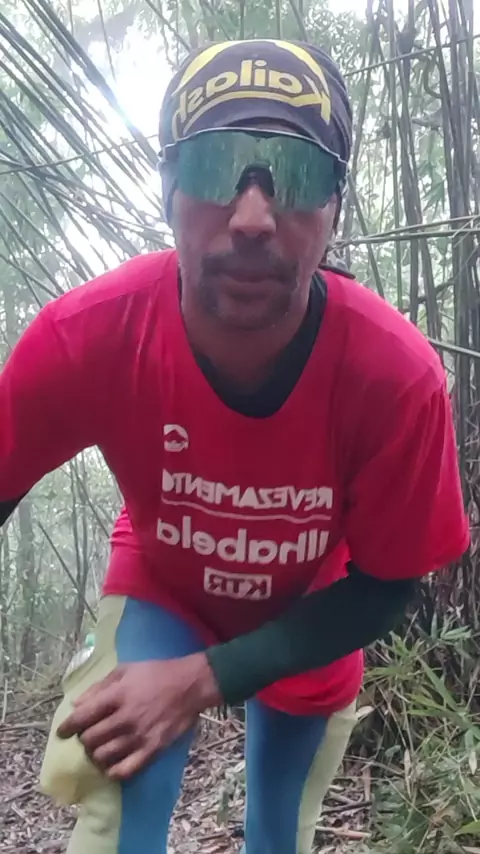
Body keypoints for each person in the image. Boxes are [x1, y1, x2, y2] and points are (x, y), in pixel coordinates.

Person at [0, 37, 469, 854]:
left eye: (297, 175)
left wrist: (205, 679)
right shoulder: (91, 337)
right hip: (163, 587)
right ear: (169, 190)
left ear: (335, 207)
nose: (252, 218)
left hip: (310, 615)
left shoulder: (395, 377)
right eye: (216, 167)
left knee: (276, 837)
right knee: (116, 803)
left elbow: (387, 586)